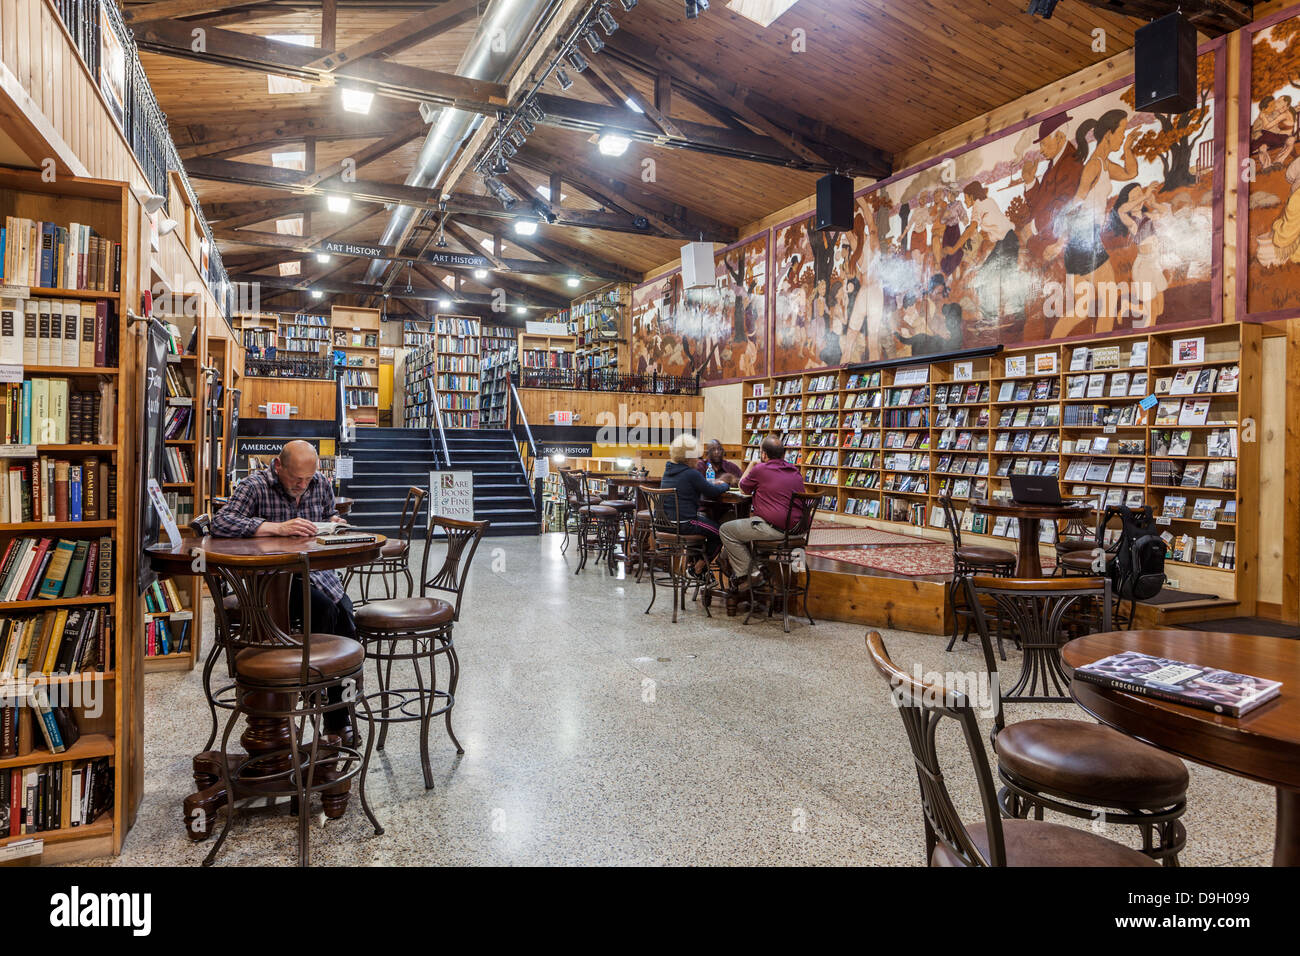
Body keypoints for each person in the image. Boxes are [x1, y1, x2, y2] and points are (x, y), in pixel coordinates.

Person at [211, 439, 356, 639]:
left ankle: (338, 667)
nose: (303, 485)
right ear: (278, 465)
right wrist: (276, 528)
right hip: (271, 577)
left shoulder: (320, 483)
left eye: (308, 478)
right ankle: (309, 666)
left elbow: (326, 514)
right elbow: (220, 522)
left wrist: (333, 521)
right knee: (324, 609)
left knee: (346, 615)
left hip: (315, 571)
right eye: (297, 479)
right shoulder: (255, 486)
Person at [720, 434, 807, 592]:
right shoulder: (794, 470)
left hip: (775, 530)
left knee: (726, 530)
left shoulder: (760, 469)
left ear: (764, 455)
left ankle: (753, 573)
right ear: (784, 454)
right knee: (747, 533)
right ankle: (758, 568)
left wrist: (752, 464)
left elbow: (743, 487)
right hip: (798, 532)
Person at [660, 434, 732, 576]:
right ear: (689, 457)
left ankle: (696, 566)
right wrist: (725, 484)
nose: (698, 459)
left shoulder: (668, 471)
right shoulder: (691, 473)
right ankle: (698, 568)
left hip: (664, 523)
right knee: (720, 533)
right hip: (685, 523)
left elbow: (703, 486)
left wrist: (711, 484)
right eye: (696, 456)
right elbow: (712, 492)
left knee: (707, 528)